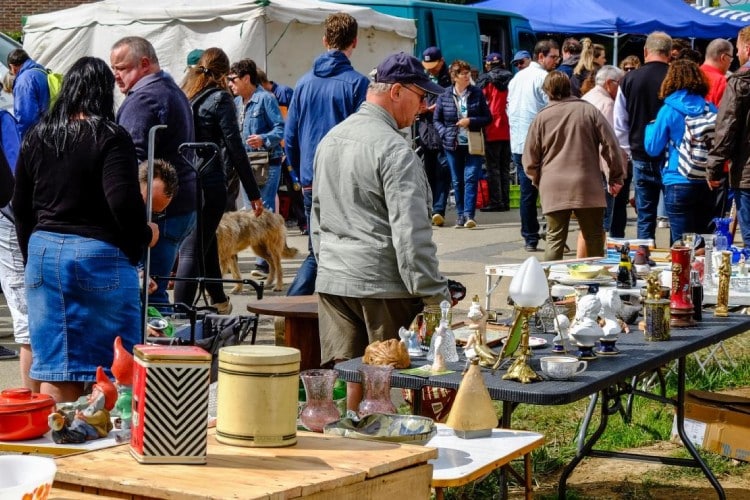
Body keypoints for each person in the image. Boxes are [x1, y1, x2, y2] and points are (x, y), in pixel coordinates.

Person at [13, 56, 159, 404]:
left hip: (44, 252)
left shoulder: (38, 135)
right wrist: (142, 238)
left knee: (55, 366)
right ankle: (113, 449)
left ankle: (61, 446)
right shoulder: (109, 135)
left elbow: (20, 207)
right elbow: (122, 201)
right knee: (115, 367)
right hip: (97, 255)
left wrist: (32, 254)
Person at [312, 52, 450, 411]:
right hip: (379, 284)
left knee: (351, 377)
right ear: (397, 92)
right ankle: (381, 456)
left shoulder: (331, 138)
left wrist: (328, 263)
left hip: (335, 279)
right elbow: (411, 232)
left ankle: (347, 445)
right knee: (381, 385)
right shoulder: (394, 149)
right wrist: (433, 292)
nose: (423, 107)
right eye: (421, 97)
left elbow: (316, 217)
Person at [284, 12, 369, 296]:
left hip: (311, 177)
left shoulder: (304, 83)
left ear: (324, 40)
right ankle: (293, 307)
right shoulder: (358, 84)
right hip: (343, 178)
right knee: (337, 250)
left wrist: (300, 172)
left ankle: (299, 309)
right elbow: (363, 136)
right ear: (355, 42)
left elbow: (290, 136)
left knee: (318, 248)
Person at [174, 49, 264, 313]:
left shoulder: (186, 93)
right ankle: (180, 312)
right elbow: (235, 146)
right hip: (210, 181)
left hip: (187, 178)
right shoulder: (220, 98)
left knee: (206, 241)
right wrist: (253, 192)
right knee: (194, 248)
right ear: (224, 74)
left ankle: (219, 300)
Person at [110, 36, 196, 308]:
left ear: (144, 63)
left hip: (160, 212)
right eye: (114, 69)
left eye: (121, 68)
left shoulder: (144, 99)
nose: (116, 76)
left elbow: (130, 164)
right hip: (180, 206)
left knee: (149, 293)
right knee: (153, 290)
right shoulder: (170, 90)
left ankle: (161, 350)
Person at [523, 71, 624, 261]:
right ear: (570, 87)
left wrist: (538, 179)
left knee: (554, 239)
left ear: (547, 91)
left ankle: (550, 284)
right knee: (593, 236)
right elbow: (611, 145)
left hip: (553, 184)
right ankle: (595, 284)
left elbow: (529, 158)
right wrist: (616, 176)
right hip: (587, 183)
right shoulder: (589, 111)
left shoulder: (541, 118)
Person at [644, 59, 716, 245]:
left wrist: (650, 128)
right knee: (704, 244)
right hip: (705, 179)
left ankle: (683, 273)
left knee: (682, 245)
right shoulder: (710, 108)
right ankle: (703, 274)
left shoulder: (668, 110)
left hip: (677, 178)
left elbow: (652, 149)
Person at [227, 58, 283, 277]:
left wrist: (264, 138)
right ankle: (263, 257)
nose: (230, 84)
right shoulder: (238, 103)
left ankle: (264, 262)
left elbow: (280, 129)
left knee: (264, 208)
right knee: (252, 211)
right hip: (246, 164)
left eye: (233, 79)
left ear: (246, 78)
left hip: (266, 161)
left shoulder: (266, 99)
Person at [614, 31, 672, 240]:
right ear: (669, 53)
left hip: (640, 153)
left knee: (645, 216)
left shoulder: (628, 79)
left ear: (646, 51)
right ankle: (676, 263)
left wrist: (629, 151)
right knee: (673, 215)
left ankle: (643, 258)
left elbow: (620, 122)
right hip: (670, 155)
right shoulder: (675, 77)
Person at [507, 39, 560, 252]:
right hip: (538, 143)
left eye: (557, 56)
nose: (556, 61)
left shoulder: (517, 78)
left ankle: (530, 237)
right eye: (553, 57)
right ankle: (552, 232)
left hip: (519, 143)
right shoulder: (543, 78)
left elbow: (509, 108)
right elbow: (553, 109)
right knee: (549, 191)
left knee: (527, 194)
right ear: (540, 56)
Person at [434, 59, 491, 228]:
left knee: (471, 177)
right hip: (452, 144)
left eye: (468, 73)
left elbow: (488, 118)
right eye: (464, 74)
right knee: (457, 180)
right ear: (455, 76)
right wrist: (445, 133)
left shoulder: (477, 93)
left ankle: (469, 215)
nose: (468, 76)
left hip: (473, 142)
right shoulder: (444, 95)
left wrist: (470, 121)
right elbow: (437, 120)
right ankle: (460, 214)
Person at [707, 26, 750, 246]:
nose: (738, 55)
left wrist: (714, 166)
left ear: (747, 48)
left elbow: (727, 126)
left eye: (739, 49)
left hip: (746, 171)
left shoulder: (741, 80)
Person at [581, 65, 627, 255]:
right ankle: (595, 263)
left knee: (587, 226)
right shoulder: (607, 104)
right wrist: (613, 177)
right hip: (599, 171)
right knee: (599, 226)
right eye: (620, 84)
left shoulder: (585, 99)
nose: (622, 89)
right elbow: (607, 146)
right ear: (609, 83)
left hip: (585, 167)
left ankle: (581, 262)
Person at [417, 46, 452, 227]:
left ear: (442, 61)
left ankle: (439, 210)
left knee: (443, 172)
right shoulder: (422, 77)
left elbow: (453, 101)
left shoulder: (450, 78)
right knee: (428, 171)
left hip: (443, 130)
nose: (431, 69)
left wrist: (432, 108)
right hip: (425, 131)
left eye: (434, 65)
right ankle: (429, 209)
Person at [701, 38, 734, 221]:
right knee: (714, 220)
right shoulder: (721, 82)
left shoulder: (692, 74)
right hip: (715, 158)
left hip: (688, 160)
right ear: (723, 57)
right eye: (730, 58)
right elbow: (725, 124)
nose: (732, 61)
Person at [476, 52, 513, 213]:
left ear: (488, 64)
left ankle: (496, 201)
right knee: (505, 167)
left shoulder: (486, 80)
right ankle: (505, 200)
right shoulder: (512, 78)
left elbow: (480, 101)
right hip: (509, 126)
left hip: (491, 126)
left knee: (493, 167)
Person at [6, 48, 49, 138]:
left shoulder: (24, 81)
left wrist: (21, 141)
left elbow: (26, 117)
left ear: (12, 67)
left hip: (37, 136)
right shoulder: (41, 72)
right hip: (49, 128)